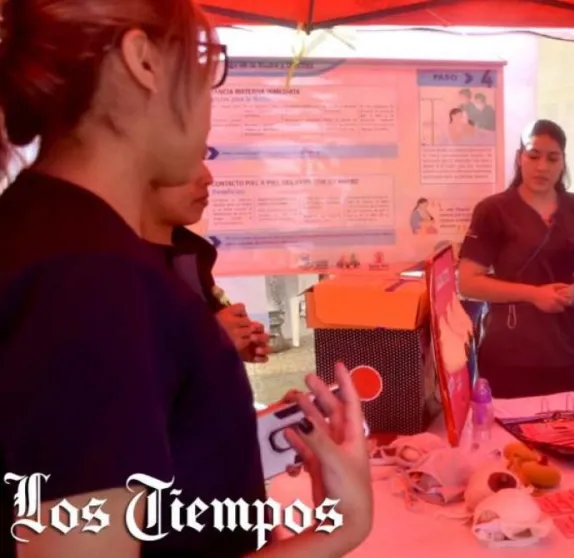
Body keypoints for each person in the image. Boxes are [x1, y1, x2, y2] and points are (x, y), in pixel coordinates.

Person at [0, 2, 372, 556]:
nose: (208, 97)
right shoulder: (89, 277)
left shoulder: (51, 233)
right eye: (205, 61)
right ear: (143, 61)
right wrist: (336, 532)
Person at [458, 119, 574, 398]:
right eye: (533, 155)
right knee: (510, 437)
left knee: (563, 432)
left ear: (563, 162)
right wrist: (534, 295)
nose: (542, 166)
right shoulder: (493, 210)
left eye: (553, 158)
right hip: (509, 353)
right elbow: (467, 283)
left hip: (566, 349)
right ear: (519, 158)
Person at [142, 161, 270, 363]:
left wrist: (234, 346)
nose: (208, 178)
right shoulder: (104, 265)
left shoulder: (191, 255)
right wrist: (208, 339)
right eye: (187, 162)